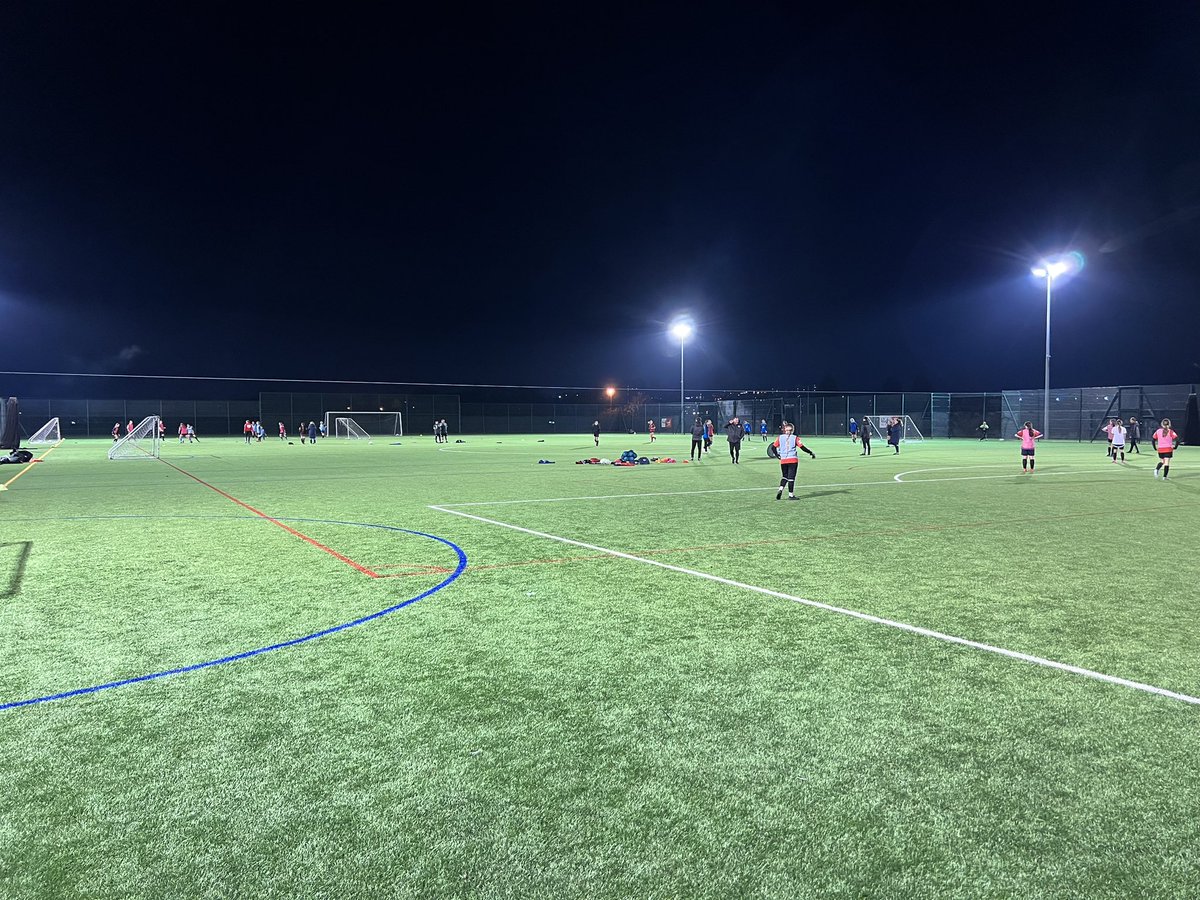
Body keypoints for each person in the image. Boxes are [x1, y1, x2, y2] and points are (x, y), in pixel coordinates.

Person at [772, 422, 815, 500]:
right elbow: (802, 447)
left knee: (785, 476)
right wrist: (810, 452)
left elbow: (773, 448)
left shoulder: (780, 437)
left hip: (783, 460)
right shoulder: (795, 438)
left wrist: (777, 455)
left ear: (785, 430)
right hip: (793, 460)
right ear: (792, 430)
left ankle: (780, 489)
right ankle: (791, 495)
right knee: (791, 478)